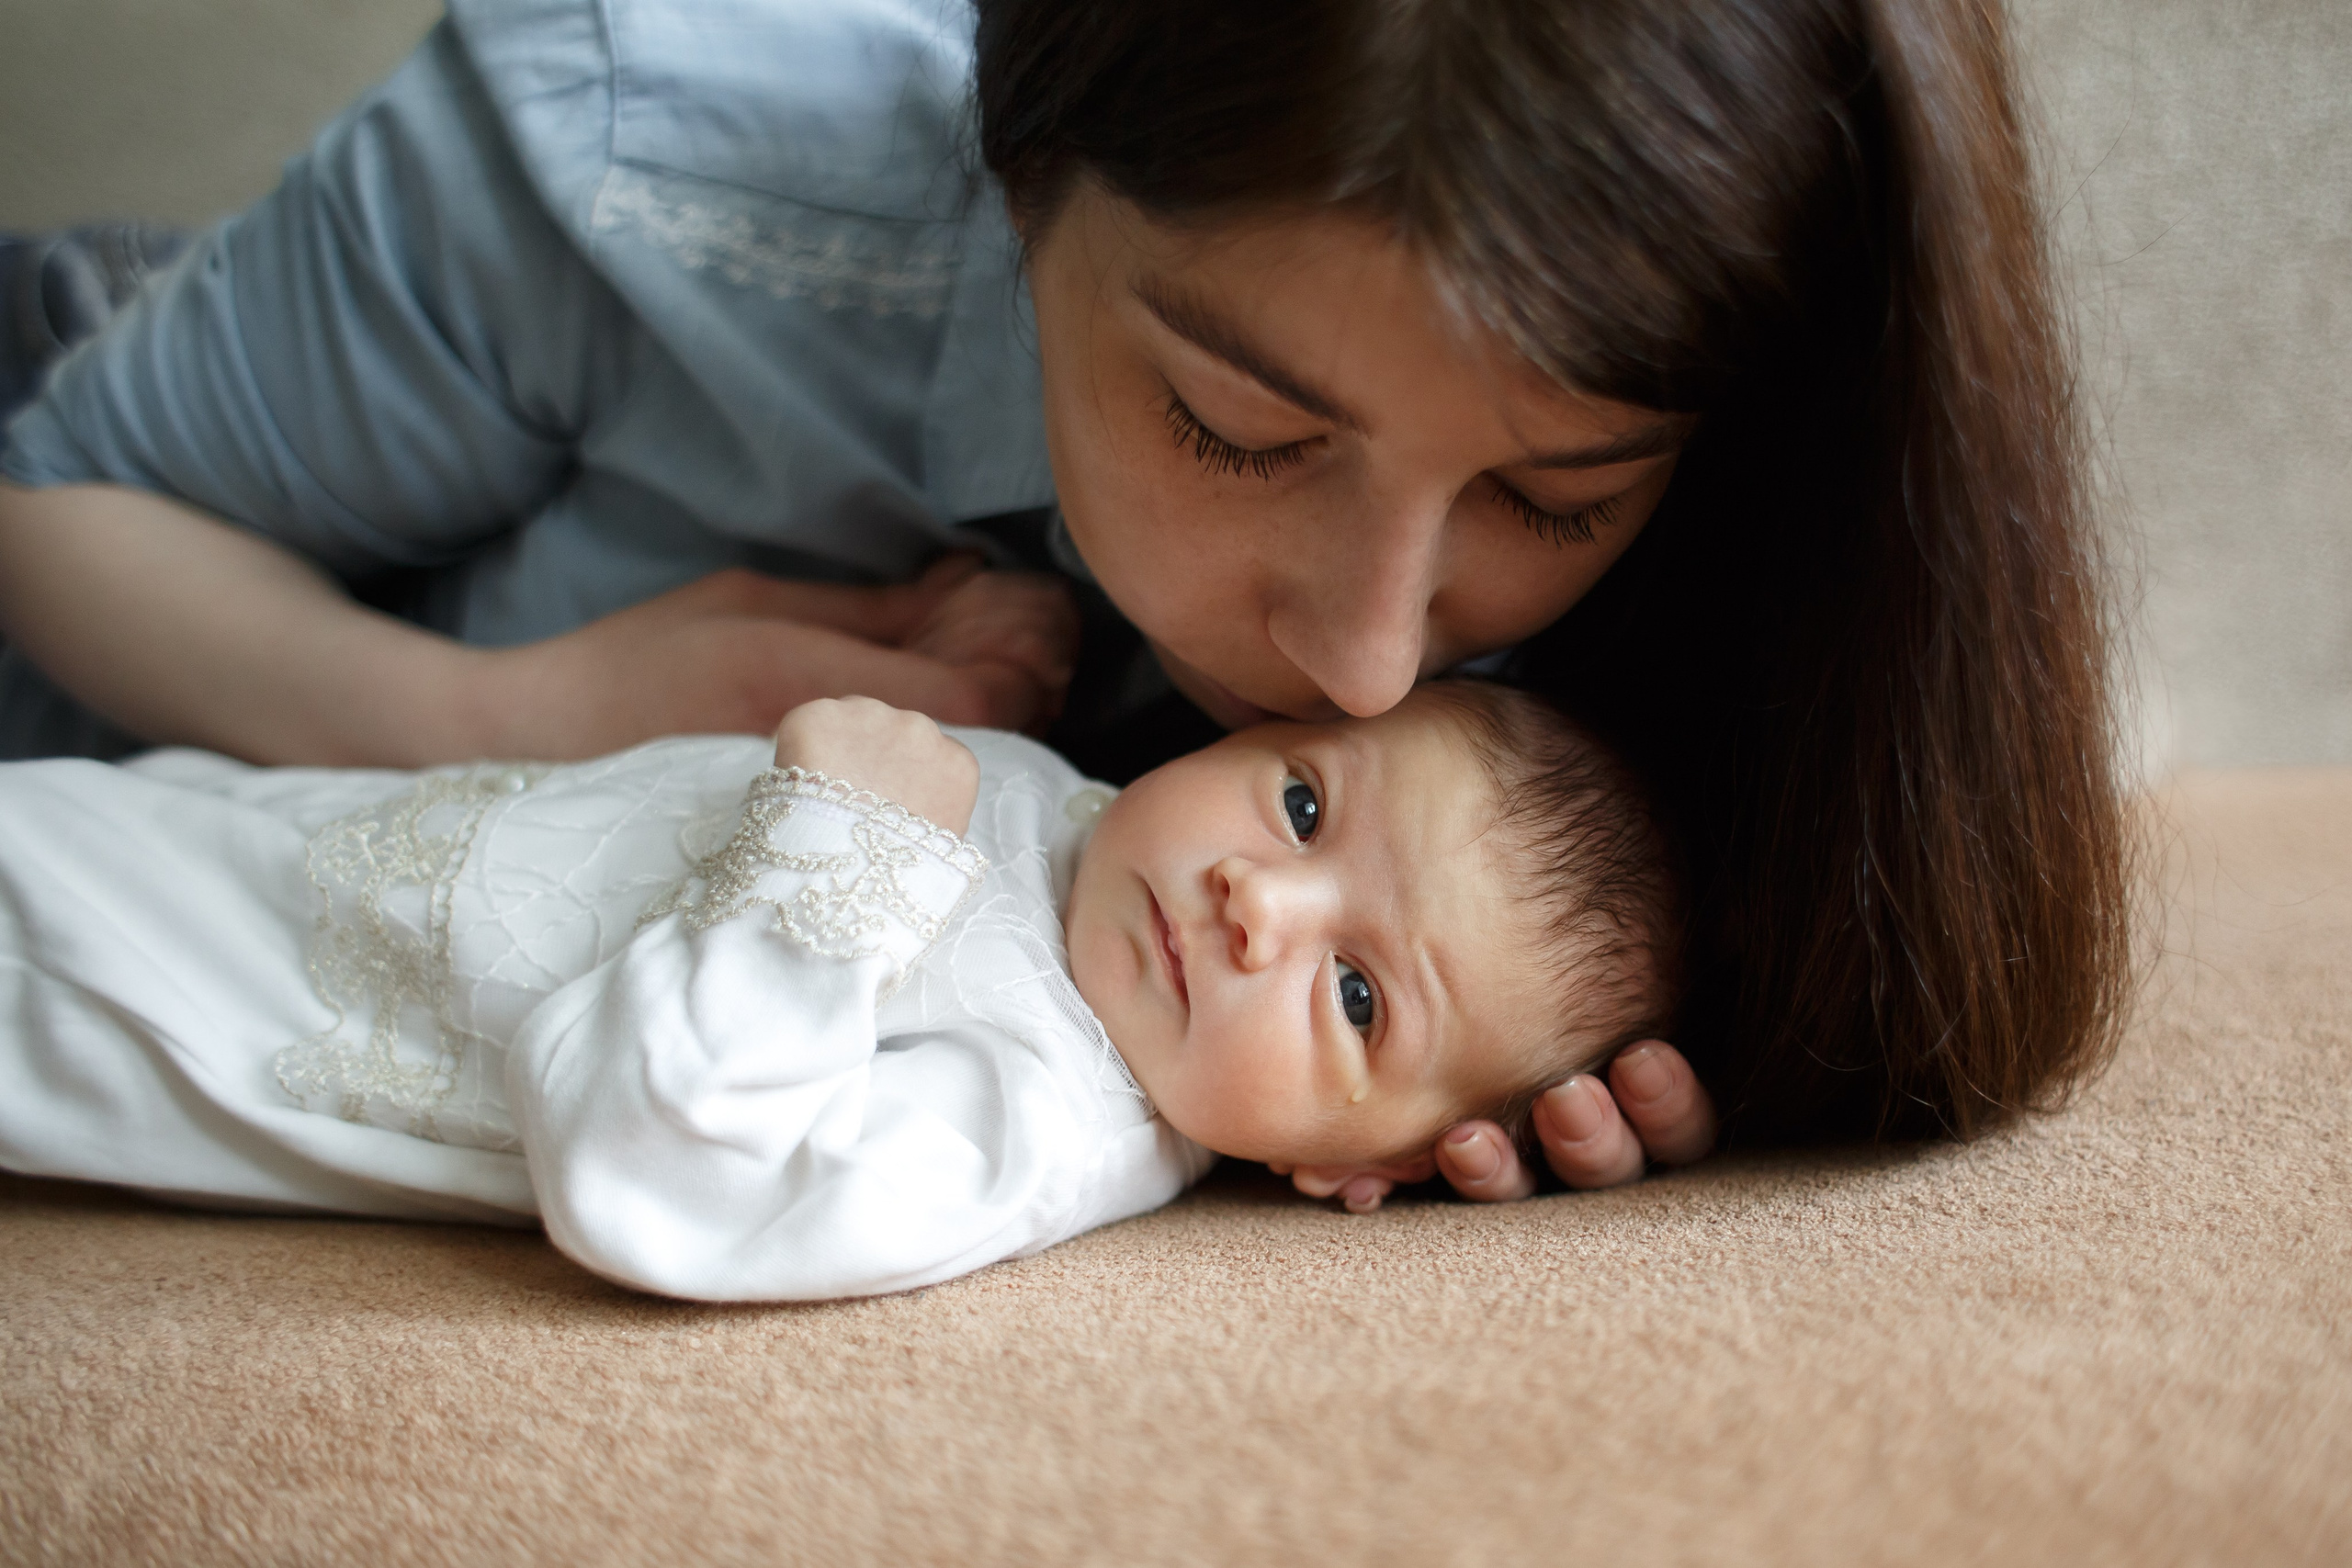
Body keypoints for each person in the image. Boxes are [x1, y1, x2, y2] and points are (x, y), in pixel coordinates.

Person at [0, 0, 2132, 1208]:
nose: (1372, 656)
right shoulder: (629, 137)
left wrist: (1508, 1031)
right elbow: (57, 509)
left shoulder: (1765, 411)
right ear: (1018, 169)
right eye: (1232, 425)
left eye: (1548, 497)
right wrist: (517, 708)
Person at [0, 683, 1679, 1300]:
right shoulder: (1084, 823)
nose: (1261, 902)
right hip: (265, 839)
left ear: (1355, 1168)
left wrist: (833, 858)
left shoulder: (1034, 1122)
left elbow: (657, 1177)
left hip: (158, 1015)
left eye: (1360, 999)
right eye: (1304, 805)